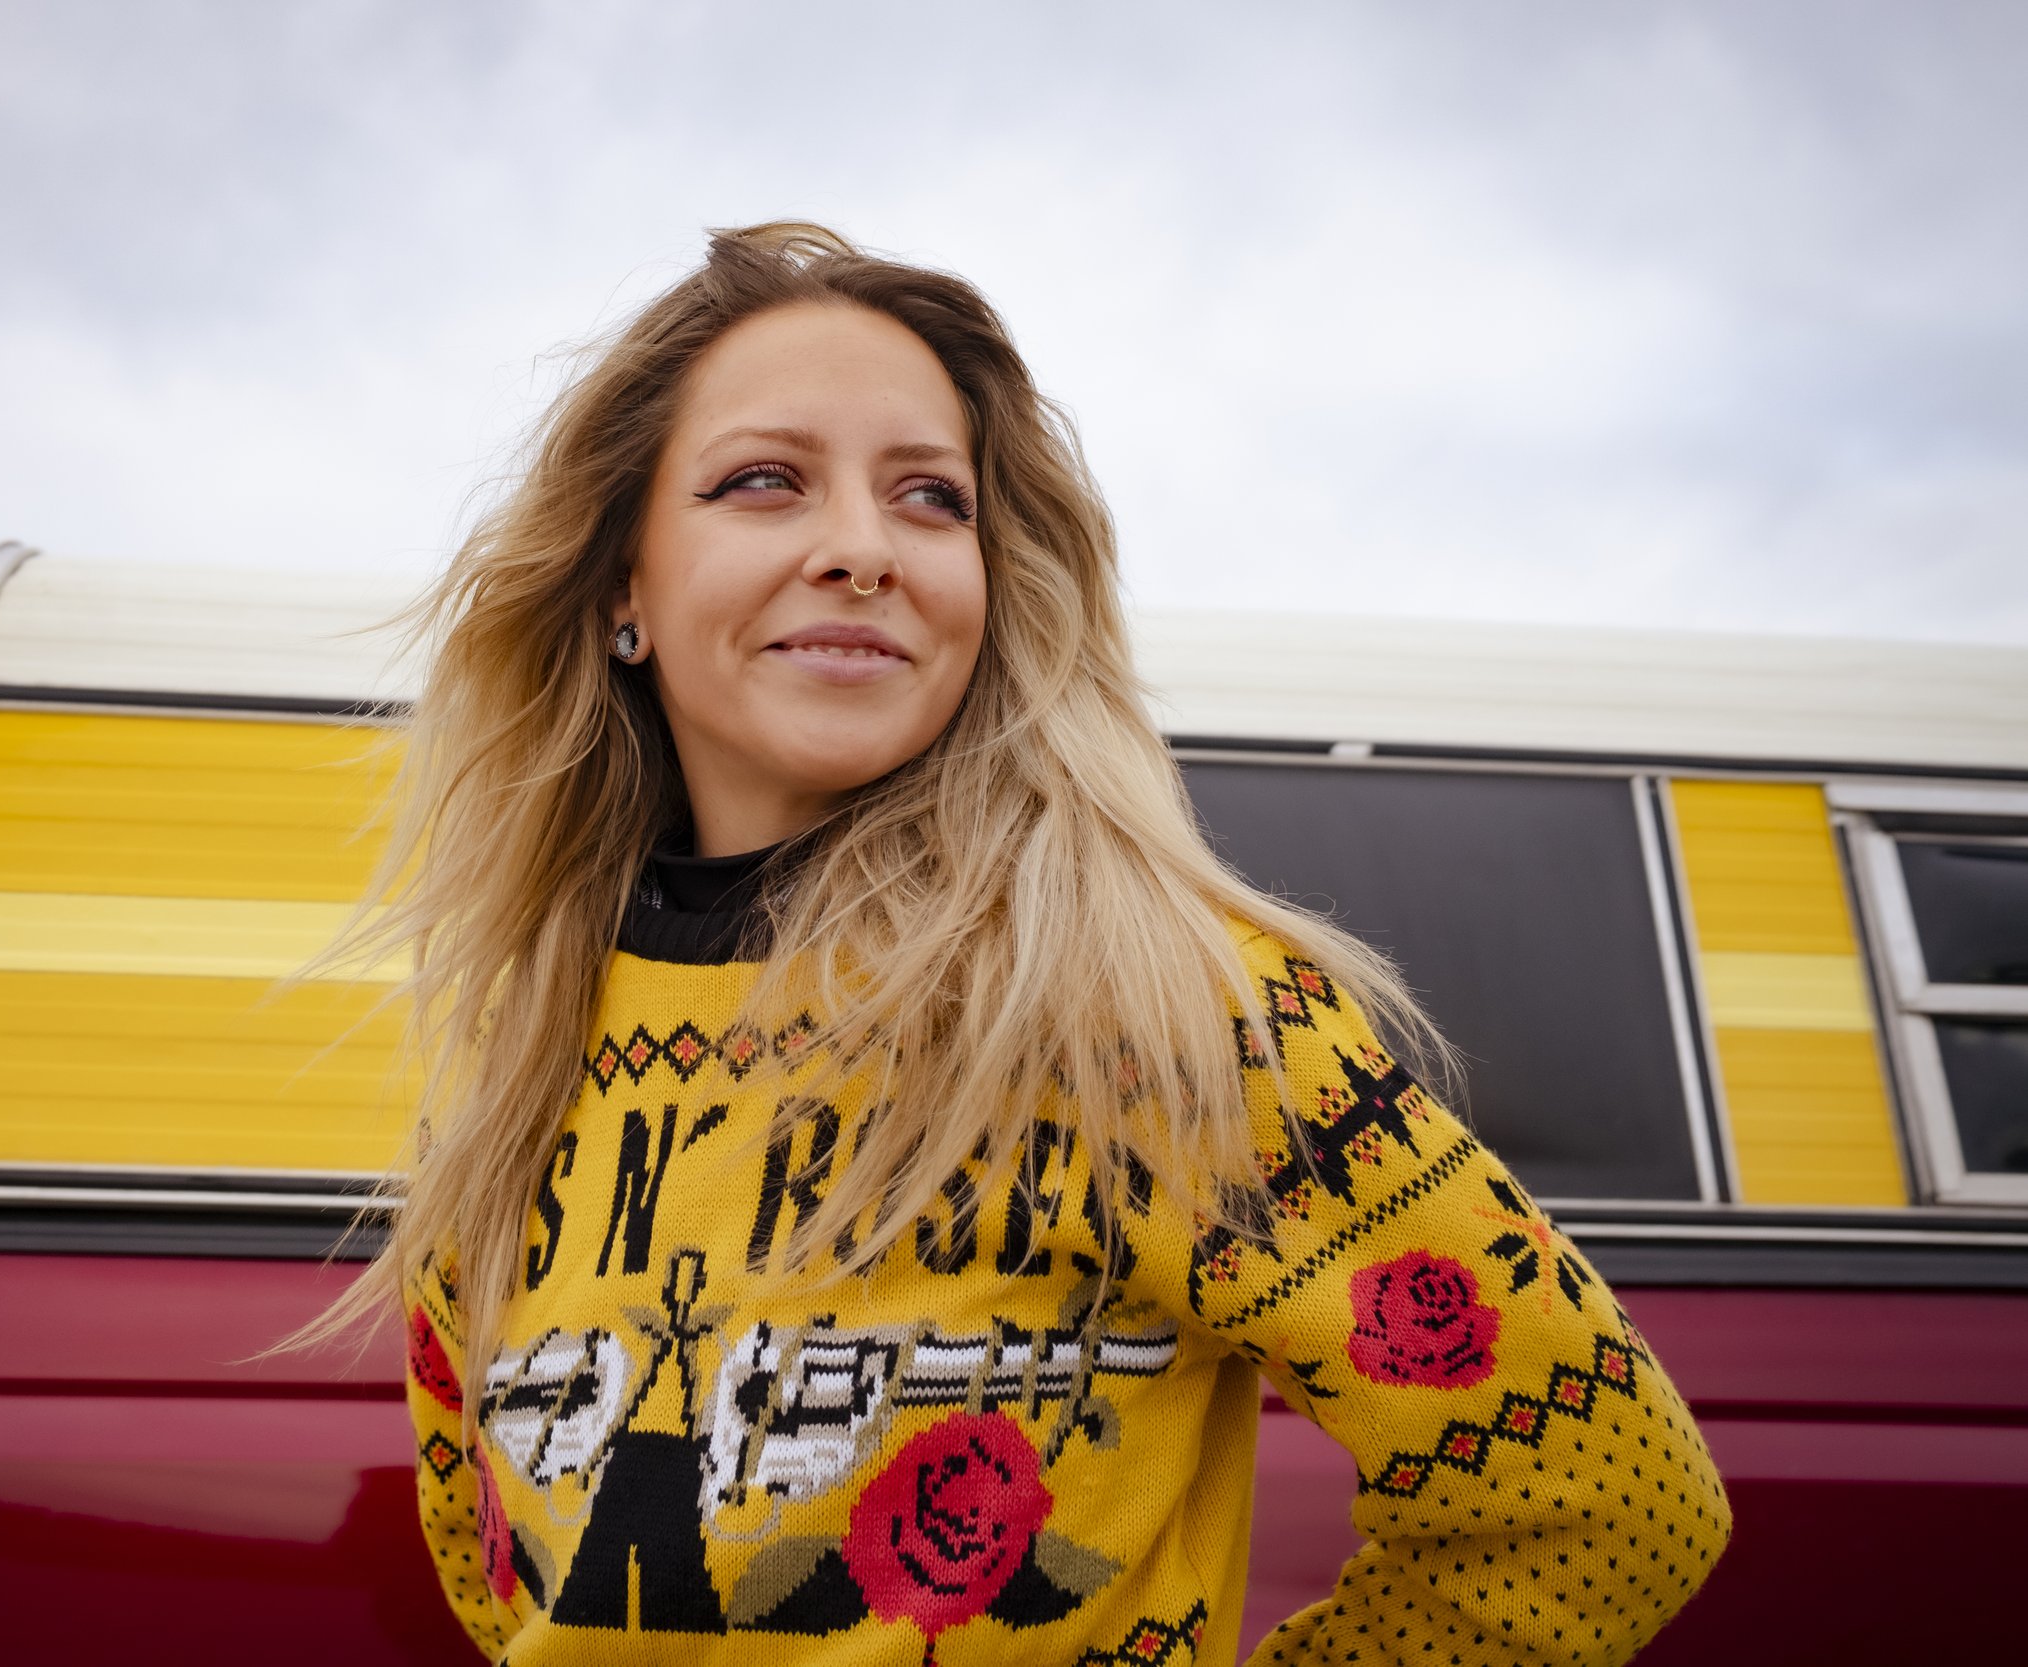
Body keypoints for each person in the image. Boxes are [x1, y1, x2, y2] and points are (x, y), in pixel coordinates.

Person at [302, 223, 1730, 1665]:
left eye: (931, 499)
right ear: (622, 589)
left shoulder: (1162, 1012)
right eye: (762, 482)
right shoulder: (516, 1063)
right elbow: (497, 1585)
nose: (861, 548)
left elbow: (1601, 1499)